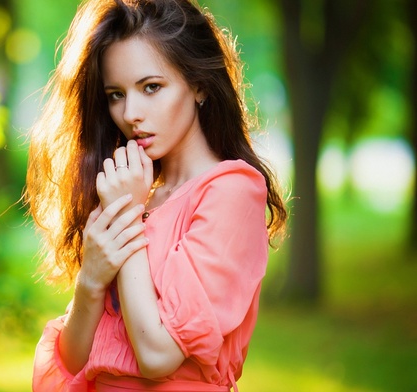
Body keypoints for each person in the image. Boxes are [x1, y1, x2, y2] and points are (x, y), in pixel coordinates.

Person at [24, 0, 287, 390]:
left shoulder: (231, 191)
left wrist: (126, 215)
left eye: (151, 87)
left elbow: (157, 357)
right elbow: (71, 361)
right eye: (116, 94)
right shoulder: (134, 193)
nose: (131, 113)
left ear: (198, 84)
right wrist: (91, 282)